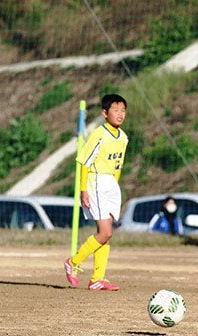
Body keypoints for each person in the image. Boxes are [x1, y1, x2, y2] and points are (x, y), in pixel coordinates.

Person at [63, 94, 129, 291]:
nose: (120, 114)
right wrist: (84, 190)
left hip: (110, 184)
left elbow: (118, 167)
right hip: (96, 181)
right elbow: (84, 162)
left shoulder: (124, 137)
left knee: (107, 234)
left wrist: (114, 188)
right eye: (115, 110)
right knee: (105, 231)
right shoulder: (99, 134)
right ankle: (74, 262)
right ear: (104, 113)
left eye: (123, 110)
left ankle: (97, 278)